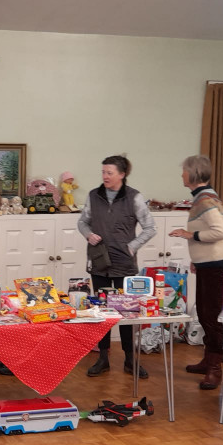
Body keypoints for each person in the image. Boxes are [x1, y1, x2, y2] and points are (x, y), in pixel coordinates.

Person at [78, 154, 157, 378]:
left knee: (127, 312)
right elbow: (82, 221)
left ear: (122, 175)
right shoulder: (93, 196)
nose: (105, 176)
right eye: (103, 172)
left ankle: (130, 360)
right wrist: (88, 234)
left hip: (125, 265)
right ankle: (103, 358)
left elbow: (150, 227)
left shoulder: (134, 198)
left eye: (109, 172)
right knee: (101, 312)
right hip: (99, 262)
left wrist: (132, 247)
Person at [168, 154, 223, 390]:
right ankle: (209, 360)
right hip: (209, 262)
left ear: (194, 173)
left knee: (211, 315)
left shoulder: (205, 199)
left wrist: (190, 235)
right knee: (206, 313)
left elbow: (220, 232)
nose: (182, 174)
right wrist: (198, 258)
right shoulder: (202, 197)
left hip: (216, 263)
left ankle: (215, 367)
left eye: (184, 170)